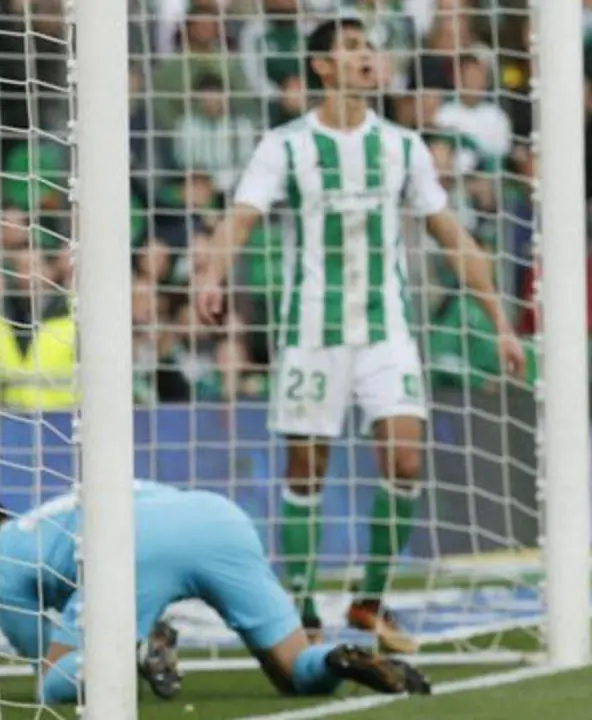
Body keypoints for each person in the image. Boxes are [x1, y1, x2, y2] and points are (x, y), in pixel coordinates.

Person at [192, 17, 527, 652]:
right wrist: (212, 274)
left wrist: (501, 323)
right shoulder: (284, 146)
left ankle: (371, 601)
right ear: (322, 67)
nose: (368, 57)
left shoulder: (403, 147)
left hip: (387, 330)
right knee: (306, 470)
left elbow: (452, 236)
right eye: (352, 48)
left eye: (370, 47)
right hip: (311, 331)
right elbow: (240, 218)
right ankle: (302, 610)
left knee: (405, 458)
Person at [0, 483, 432, 705]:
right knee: (294, 671)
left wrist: (115, 646)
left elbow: (51, 663)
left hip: (130, 545)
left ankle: (142, 645)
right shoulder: (52, 518)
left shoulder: (0, 564)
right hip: (217, 518)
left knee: (58, 685)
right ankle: (338, 659)